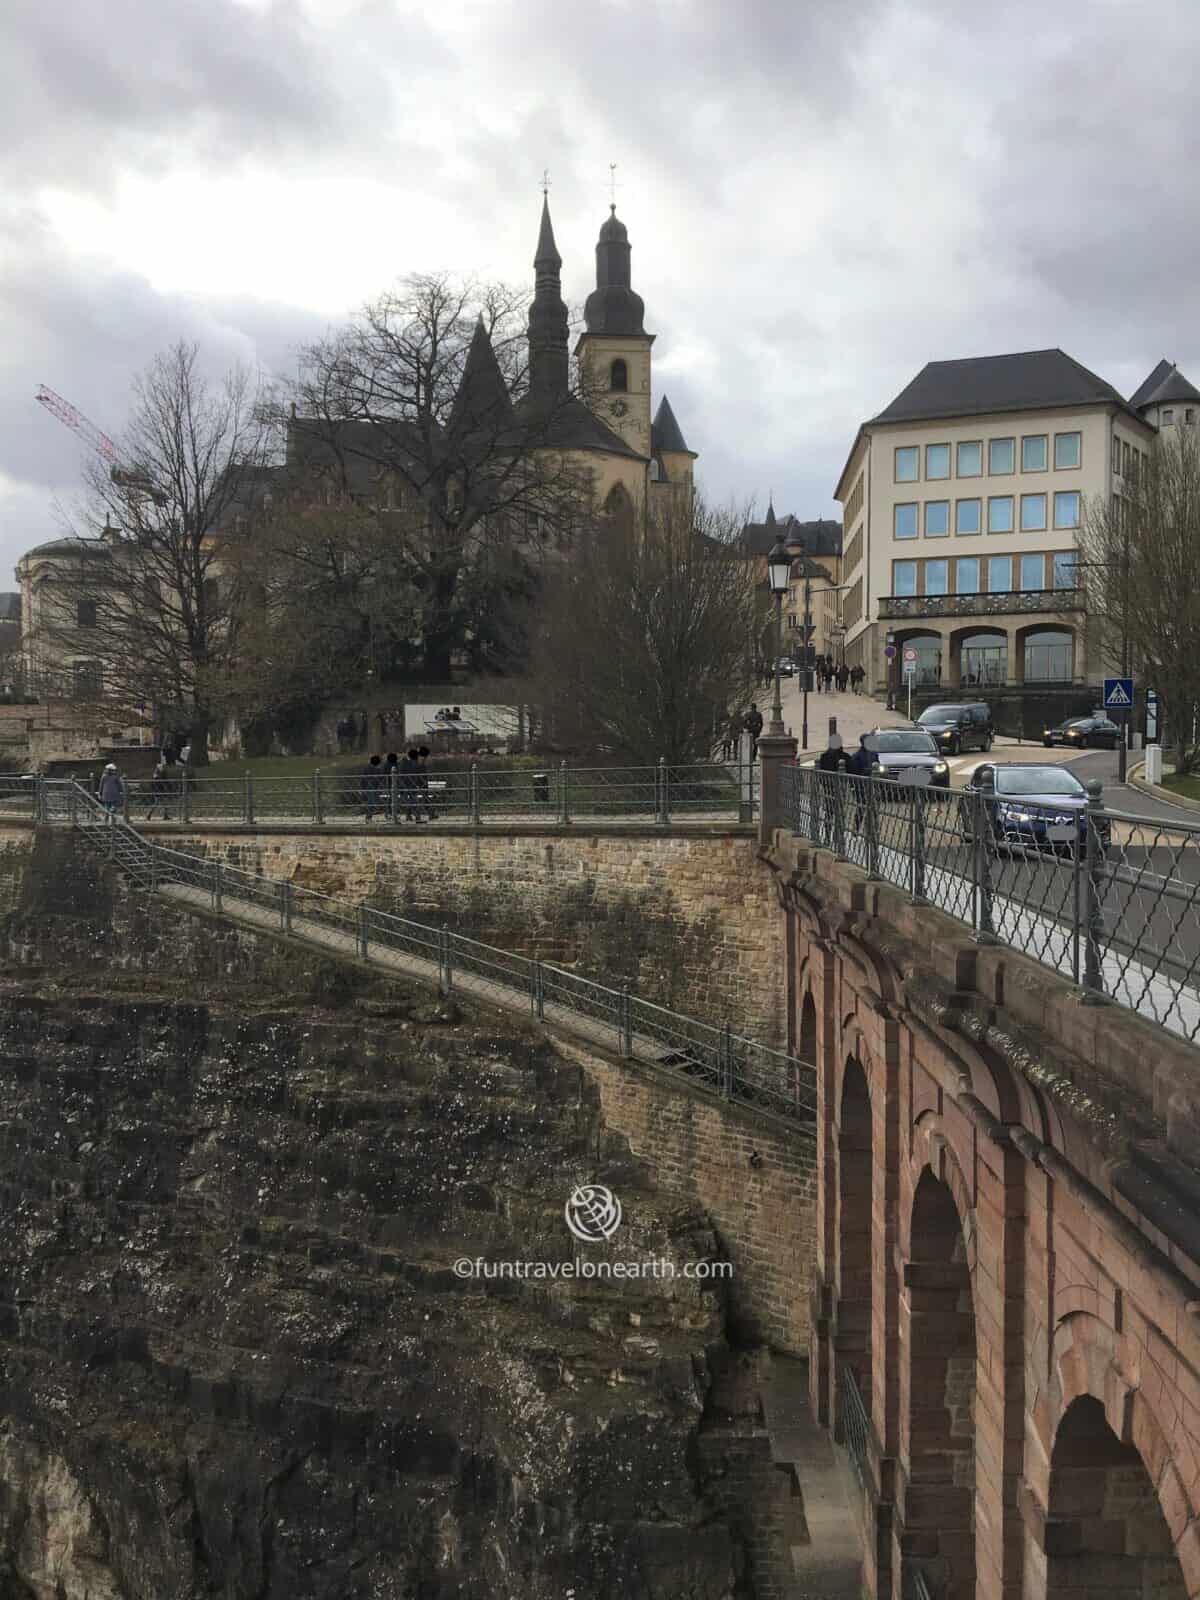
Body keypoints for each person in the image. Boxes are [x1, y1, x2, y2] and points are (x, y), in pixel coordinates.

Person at [361, 753, 383, 821]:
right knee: (371, 802)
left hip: (371, 787)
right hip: (371, 787)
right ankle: (369, 817)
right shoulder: (377, 769)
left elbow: (363, 779)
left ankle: (369, 816)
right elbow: (379, 779)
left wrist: (362, 788)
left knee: (370, 802)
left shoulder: (368, 768)